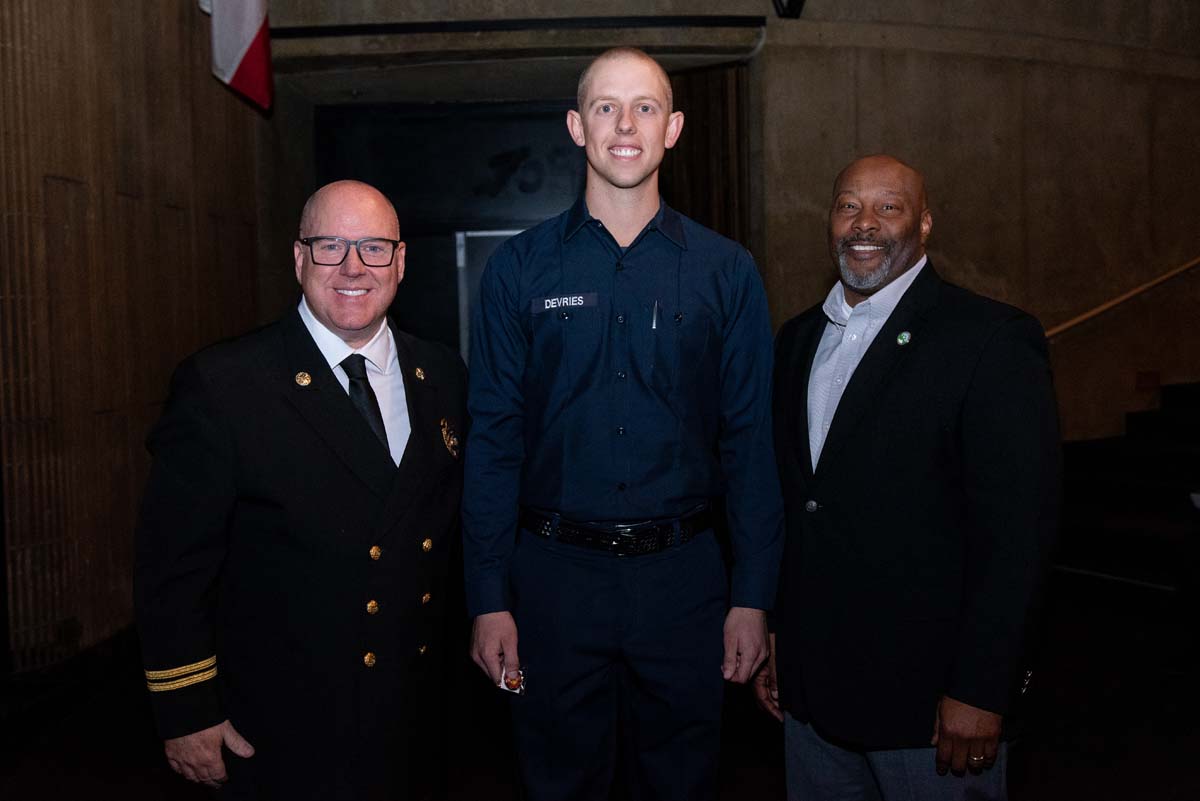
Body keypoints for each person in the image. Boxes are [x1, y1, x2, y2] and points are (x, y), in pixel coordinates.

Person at [462, 47, 783, 801]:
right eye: (606, 107)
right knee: (556, 783)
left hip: (687, 582)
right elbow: (493, 441)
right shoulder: (518, 271)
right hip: (552, 582)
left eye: (645, 107)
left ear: (673, 128)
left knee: (687, 783)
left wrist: (754, 593)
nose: (625, 125)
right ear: (577, 126)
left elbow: (750, 445)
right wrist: (486, 594)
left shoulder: (726, 272)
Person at [134, 180, 467, 800]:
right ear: (298, 258)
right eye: (329, 246)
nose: (351, 268)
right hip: (281, 727)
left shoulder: (443, 374)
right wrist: (186, 709)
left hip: (414, 717)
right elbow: (172, 566)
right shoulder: (225, 384)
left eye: (372, 248)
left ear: (399, 262)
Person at [756, 154, 1061, 800]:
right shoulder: (796, 340)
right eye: (847, 206)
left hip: (931, 716)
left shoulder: (990, 340)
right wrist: (781, 635)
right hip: (812, 707)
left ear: (924, 223)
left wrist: (983, 686)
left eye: (888, 207)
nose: (864, 223)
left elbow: (1017, 534)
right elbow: (797, 506)